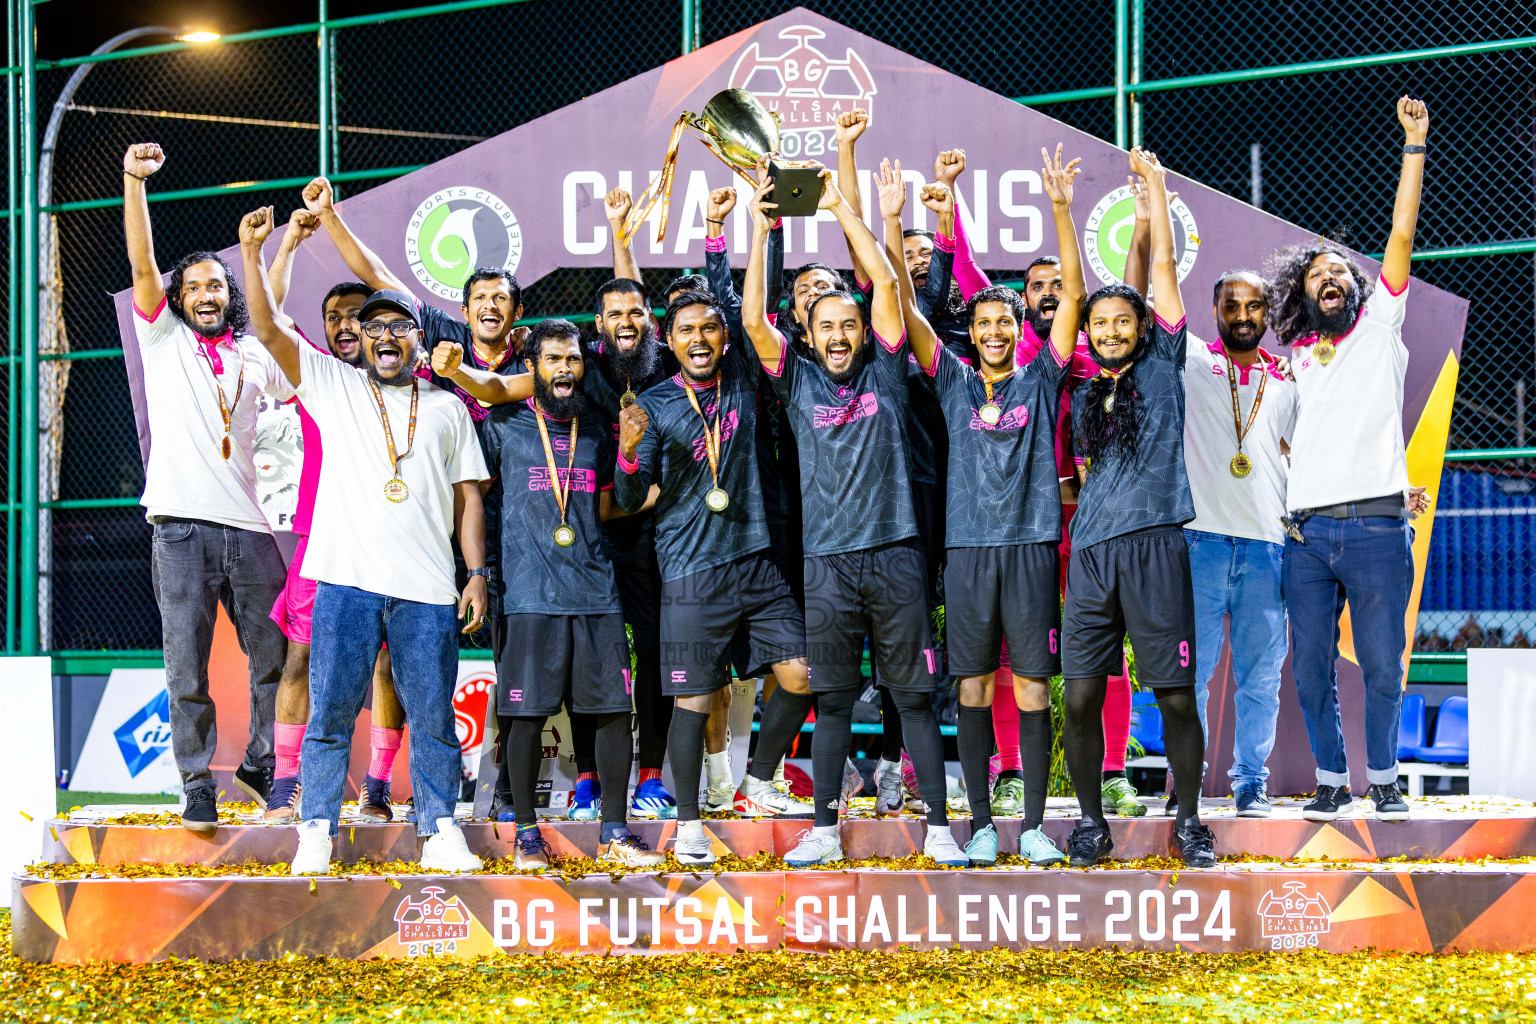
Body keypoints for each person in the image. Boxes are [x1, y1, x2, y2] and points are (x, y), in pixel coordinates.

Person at [237, 206, 491, 876]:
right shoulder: (331, 384)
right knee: (331, 711)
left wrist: (476, 574)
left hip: (428, 590)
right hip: (345, 581)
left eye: (397, 328)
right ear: (361, 339)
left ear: (416, 338)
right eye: (371, 327)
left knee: (433, 717)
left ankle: (439, 828)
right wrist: (252, 253)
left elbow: (470, 499)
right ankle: (316, 827)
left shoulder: (447, 408)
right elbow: (264, 326)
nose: (383, 337)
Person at [742, 168, 967, 868]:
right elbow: (753, 319)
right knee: (833, 699)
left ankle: (936, 831)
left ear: (864, 334)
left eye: (849, 325)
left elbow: (891, 289)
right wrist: (760, 225)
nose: (838, 335)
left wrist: (845, 206)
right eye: (825, 326)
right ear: (806, 338)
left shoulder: (887, 374)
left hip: (897, 553)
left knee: (915, 698)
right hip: (829, 563)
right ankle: (822, 828)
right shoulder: (798, 376)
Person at [889, 147, 1084, 867]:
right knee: (970, 683)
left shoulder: (1042, 379)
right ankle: (977, 825)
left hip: (1031, 547)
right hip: (968, 552)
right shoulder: (952, 383)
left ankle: (1030, 825)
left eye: (1006, 321)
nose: (997, 331)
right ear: (971, 332)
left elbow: (1070, 305)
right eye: (985, 323)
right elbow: (903, 308)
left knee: (1031, 684)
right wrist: (893, 222)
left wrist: (1061, 211)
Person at [1268, 97, 1431, 823]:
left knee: (1384, 667)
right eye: (1315, 273)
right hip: (1304, 537)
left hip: (1374, 532)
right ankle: (1333, 778)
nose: (1328, 275)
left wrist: (1414, 145)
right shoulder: (1297, 356)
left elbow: (1400, 233)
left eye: (1338, 268)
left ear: (1357, 286)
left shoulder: (1379, 327)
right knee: (1308, 672)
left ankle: (1388, 778)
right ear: (1301, 294)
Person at [122, 143, 292, 831]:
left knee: (275, 658)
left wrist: (285, 247)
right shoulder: (161, 339)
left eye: (214, 285)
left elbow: (271, 310)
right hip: (181, 528)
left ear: (227, 294)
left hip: (250, 530)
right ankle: (196, 784)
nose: (205, 295)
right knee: (185, 668)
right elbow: (140, 264)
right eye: (192, 287)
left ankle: (260, 761)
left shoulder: (253, 352)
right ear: (178, 297)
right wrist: (135, 183)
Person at [1061, 149, 1214, 869]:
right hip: (1091, 557)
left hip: (1156, 547)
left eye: (1124, 321)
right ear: (1089, 333)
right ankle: (1090, 824)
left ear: (1143, 327)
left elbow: (1152, 276)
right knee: (1081, 698)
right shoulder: (1087, 392)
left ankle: (1188, 820)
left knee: (1176, 698)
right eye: (1103, 324)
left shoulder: (1164, 361)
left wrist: (1152, 189)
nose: (1114, 330)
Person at [475, 318, 665, 868]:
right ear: (531, 367)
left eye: (574, 360)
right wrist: (482, 572)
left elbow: (620, 502)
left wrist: (630, 452)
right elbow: (479, 503)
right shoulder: (504, 425)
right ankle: (527, 834)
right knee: (526, 715)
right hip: (529, 593)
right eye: (553, 360)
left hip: (596, 590)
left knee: (610, 710)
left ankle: (615, 829)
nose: (565, 370)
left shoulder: (601, 429)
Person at [262, 211, 413, 822]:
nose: (345, 325)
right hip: (318, 535)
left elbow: (392, 290)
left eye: (358, 315)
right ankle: (286, 784)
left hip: (385, 536)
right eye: (334, 318)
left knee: (385, 662)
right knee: (299, 657)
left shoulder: (402, 374)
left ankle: (376, 787)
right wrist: (288, 243)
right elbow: (265, 316)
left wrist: (332, 223)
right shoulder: (313, 373)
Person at [1180, 270, 1296, 817]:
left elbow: (1316, 453)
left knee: (1261, 678)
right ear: (1214, 309)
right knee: (1189, 677)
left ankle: (1251, 782)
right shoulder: (1194, 362)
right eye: (1233, 305)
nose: (1244, 316)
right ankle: (1188, 781)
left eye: (1254, 307)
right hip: (1199, 542)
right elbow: (1157, 291)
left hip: (1267, 547)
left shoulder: (1289, 384)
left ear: (1268, 314)